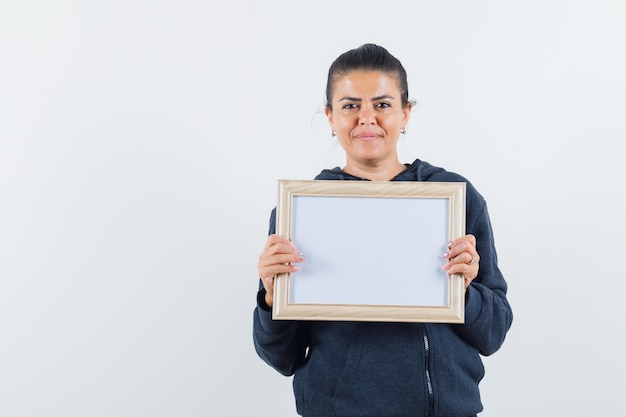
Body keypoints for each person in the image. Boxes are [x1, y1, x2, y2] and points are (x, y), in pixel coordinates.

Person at [253, 43, 513, 417]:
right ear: (329, 117)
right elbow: (281, 357)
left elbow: (494, 332)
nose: (367, 118)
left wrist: (465, 291)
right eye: (350, 105)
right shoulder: (300, 212)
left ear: (406, 113)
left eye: (383, 104)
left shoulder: (454, 200)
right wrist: (271, 296)